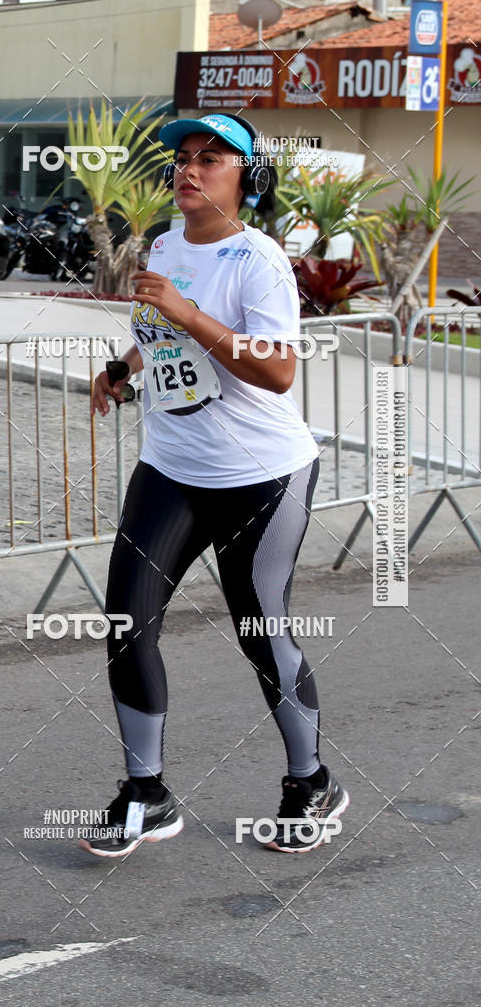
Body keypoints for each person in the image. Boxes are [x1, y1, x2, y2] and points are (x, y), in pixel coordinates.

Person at [81, 112, 349, 858]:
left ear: (246, 179)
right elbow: (159, 331)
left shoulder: (259, 260)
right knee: (126, 619)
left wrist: (189, 313)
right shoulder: (168, 243)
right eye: (184, 158)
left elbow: (278, 369)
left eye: (211, 159)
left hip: (260, 474)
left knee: (260, 630)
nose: (190, 169)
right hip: (172, 466)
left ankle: (311, 780)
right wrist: (124, 367)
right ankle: (147, 793)